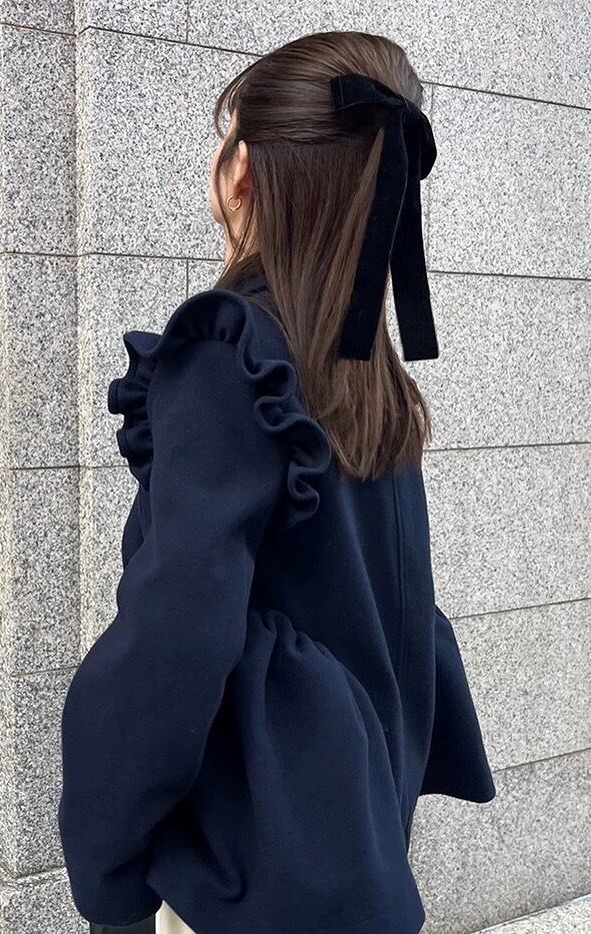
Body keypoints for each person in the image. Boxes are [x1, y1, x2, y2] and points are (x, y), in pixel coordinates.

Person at [58, 29, 497, 934]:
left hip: (247, 866)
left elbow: (173, 635)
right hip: (347, 836)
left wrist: (106, 858)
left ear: (244, 171)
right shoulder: (364, 366)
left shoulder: (235, 360)